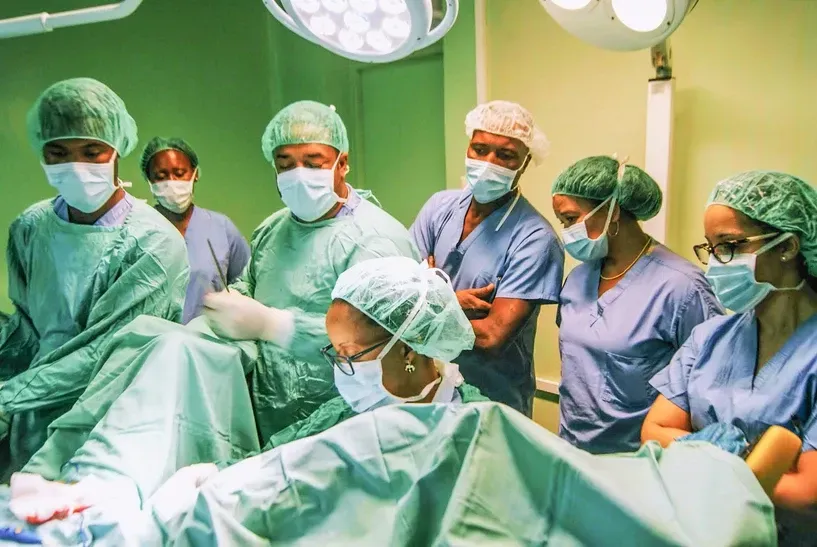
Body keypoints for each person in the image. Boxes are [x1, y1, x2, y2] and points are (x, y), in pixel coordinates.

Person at [199, 100, 421, 440]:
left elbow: (383, 339)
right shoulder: (272, 229)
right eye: (285, 164)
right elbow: (253, 284)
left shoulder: (376, 240)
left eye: (313, 163)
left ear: (342, 163)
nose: (298, 174)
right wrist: (229, 303)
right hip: (272, 413)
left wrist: (275, 325)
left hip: (352, 421)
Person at [0, 78, 189, 475]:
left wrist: (8, 397)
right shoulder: (30, 228)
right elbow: (27, 332)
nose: (76, 166)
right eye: (58, 153)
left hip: (112, 424)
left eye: (91, 151)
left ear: (117, 147)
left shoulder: (154, 242)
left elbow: (107, 354)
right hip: (30, 421)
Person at [642, 170, 817, 542]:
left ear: (787, 246)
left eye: (730, 245)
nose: (715, 263)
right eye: (711, 248)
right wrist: (754, 463)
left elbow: (806, 493)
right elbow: (653, 433)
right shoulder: (710, 338)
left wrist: (700, 454)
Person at [553, 155, 722, 455]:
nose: (566, 230)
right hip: (572, 449)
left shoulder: (681, 287)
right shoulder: (578, 278)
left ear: (613, 211)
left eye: (570, 218)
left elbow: (710, 385)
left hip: (641, 459)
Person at [410, 100, 564, 416]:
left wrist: (424, 299)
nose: (489, 162)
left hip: (492, 401)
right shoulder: (440, 208)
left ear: (524, 163)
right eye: (479, 150)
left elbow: (491, 336)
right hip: (425, 388)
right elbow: (391, 293)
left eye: (505, 155)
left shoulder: (535, 239)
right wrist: (450, 303)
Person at [262, 256, 486, 449]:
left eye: (350, 354)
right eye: (335, 351)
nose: (341, 366)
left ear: (407, 351)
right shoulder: (340, 417)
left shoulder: (479, 429)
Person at [139, 137, 250, 323]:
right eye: (161, 176)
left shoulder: (220, 228)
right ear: (149, 180)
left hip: (209, 337)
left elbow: (247, 284)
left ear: (195, 174)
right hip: (152, 338)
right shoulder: (138, 230)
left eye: (179, 173)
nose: (172, 182)